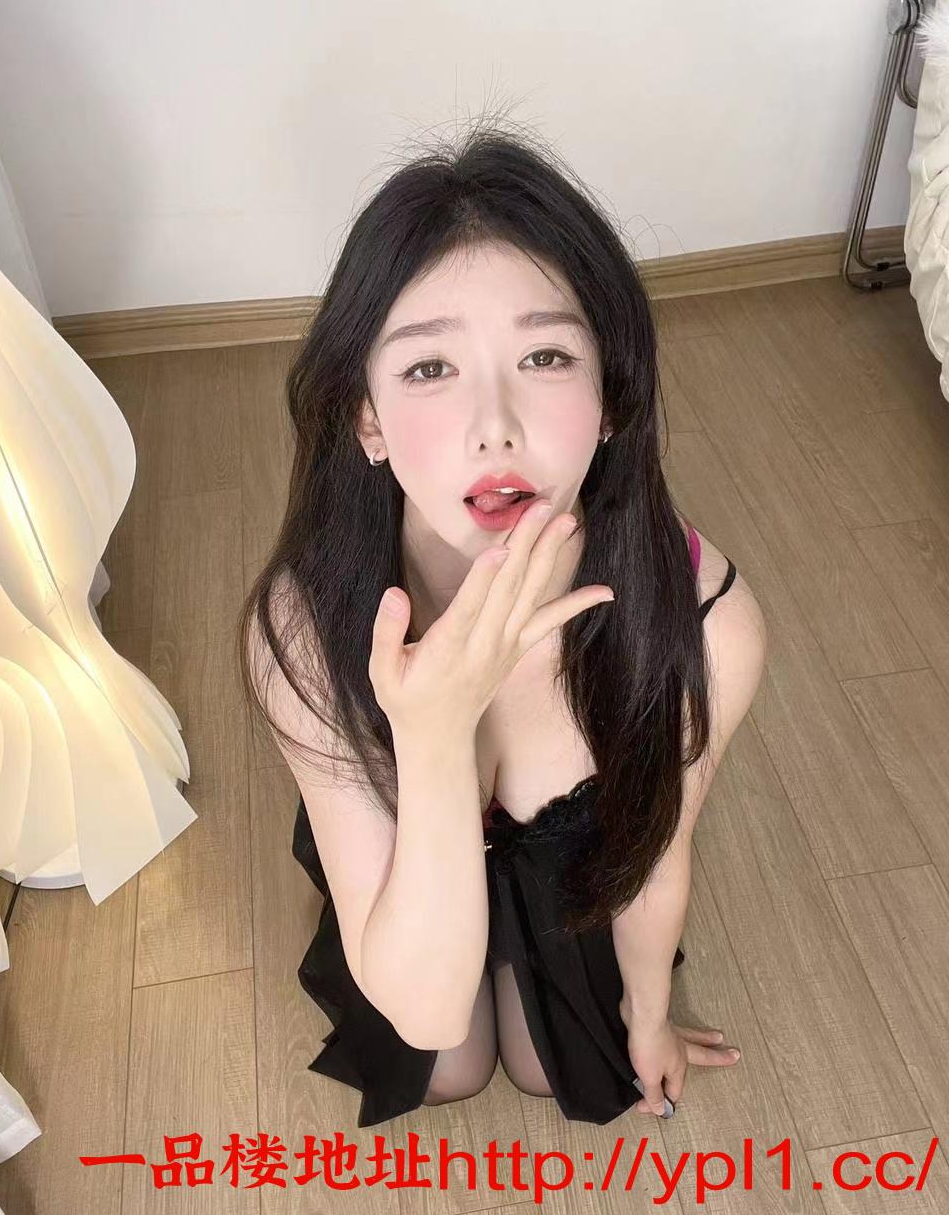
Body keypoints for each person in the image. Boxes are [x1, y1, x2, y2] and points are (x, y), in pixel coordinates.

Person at [238, 114, 768, 1130]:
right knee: (445, 1062)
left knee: (542, 1068)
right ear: (367, 417)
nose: (496, 427)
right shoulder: (302, 628)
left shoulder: (708, 627)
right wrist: (435, 731)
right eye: (429, 369)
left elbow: (660, 850)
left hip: (575, 871)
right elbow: (428, 1009)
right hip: (416, 853)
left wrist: (650, 1014)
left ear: (612, 400)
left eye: (547, 356)